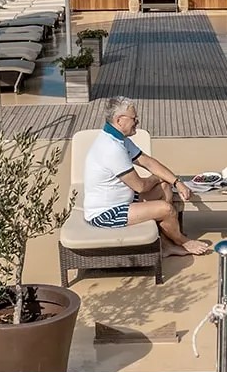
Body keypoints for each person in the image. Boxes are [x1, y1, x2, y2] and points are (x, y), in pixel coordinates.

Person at [82, 97, 211, 256]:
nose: (137, 122)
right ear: (119, 120)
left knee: (165, 187)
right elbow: (140, 186)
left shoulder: (119, 139)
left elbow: (148, 162)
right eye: (134, 118)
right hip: (106, 213)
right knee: (166, 209)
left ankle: (165, 244)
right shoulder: (111, 149)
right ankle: (182, 241)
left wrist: (177, 182)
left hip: (123, 200)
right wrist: (157, 178)